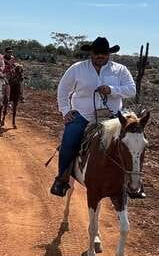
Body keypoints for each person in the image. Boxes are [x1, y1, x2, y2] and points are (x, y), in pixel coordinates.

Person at [50, 36, 137, 197]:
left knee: (133, 143)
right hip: (83, 115)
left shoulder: (120, 70)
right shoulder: (77, 68)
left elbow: (131, 90)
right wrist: (65, 110)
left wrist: (111, 89)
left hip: (113, 117)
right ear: (91, 53)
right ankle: (61, 179)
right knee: (68, 142)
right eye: (97, 53)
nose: (100, 56)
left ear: (109, 54)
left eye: (103, 53)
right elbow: (63, 90)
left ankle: (134, 184)